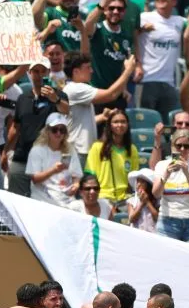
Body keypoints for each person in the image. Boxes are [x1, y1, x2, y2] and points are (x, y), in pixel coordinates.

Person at [62, 51, 137, 161]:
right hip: (78, 153)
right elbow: (111, 94)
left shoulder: (77, 88)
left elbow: (80, 122)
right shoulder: (75, 89)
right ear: (76, 71)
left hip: (81, 152)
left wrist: (102, 117)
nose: (91, 71)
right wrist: (128, 70)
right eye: (88, 68)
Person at [11, 59, 70, 197]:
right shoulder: (22, 98)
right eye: (36, 71)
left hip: (47, 162)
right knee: (16, 202)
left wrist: (54, 99)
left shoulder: (59, 95)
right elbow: (16, 127)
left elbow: (66, 110)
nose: (39, 75)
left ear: (49, 73)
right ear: (29, 73)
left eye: (43, 71)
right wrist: (5, 151)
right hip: (22, 158)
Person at [137, 0, 185, 118]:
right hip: (147, 80)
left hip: (169, 83)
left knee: (169, 126)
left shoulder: (179, 21)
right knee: (145, 122)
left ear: (174, 2)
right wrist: (137, 64)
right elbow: (130, 37)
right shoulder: (144, 17)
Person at [153, 129, 189, 244]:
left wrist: (186, 172)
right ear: (172, 146)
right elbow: (156, 193)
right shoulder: (161, 165)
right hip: (168, 220)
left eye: (186, 146)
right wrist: (166, 174)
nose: (182, 149)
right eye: (179, 145)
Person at [86, 108, 141, 205]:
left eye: (123, 122)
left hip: (125, 199)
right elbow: (90, 176)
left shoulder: (132, 149)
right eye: (115, 122)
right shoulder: (97, 147)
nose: (120, 125)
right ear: (109, 125)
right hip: (103, 197)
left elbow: (133, 179)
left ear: (127, 125)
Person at [26, 114, 83, 207]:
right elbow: (35, 178)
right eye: (54, 129)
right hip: (43, 200)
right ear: (47, 131)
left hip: (66, 200)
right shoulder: (37, 150)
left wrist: (76, 184)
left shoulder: (70, 149)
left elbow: (76, 175)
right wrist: (53, 170)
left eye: (62, 130)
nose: (58, 133)